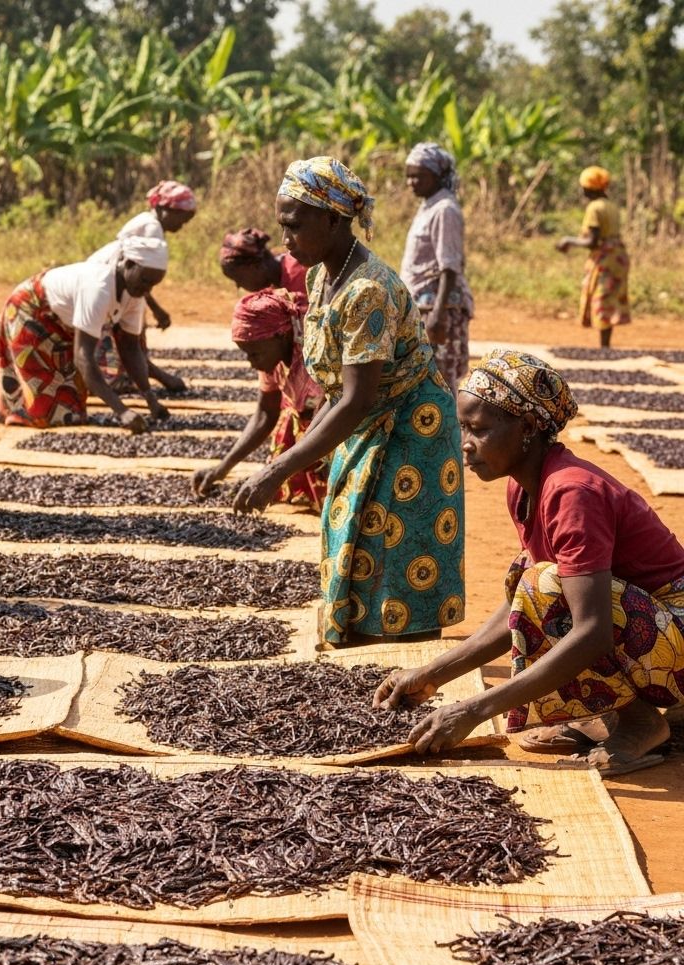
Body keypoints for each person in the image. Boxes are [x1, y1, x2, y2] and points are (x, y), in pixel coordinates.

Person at [374, 351, 682, 777]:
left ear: (529, 428)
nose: (465, 443)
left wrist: (474, 710)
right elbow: (521, 610)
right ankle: (605, 710)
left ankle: (640, 721)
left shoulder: (573, 493)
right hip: (647, 629)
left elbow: (590, 631)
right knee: (531, 579)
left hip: (673, 633)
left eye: (479, 430)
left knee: (546, 584)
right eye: (463, 427)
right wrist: (431, 675)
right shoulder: (524, 488)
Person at [234, 156, 465, 647]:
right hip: (365, 422)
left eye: (294, 226)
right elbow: (338, 391)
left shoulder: (367, 290)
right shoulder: (321, 276)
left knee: (398, 551)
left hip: (410, 428)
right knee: (354, 536)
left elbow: (357, 398)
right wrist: (306, 453)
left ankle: (405, 661)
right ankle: (363, 648)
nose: (286, 239)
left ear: (334, 220)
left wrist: (278, 469)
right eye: (282, 226)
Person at [0, 236, 171, 431]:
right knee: (44, 411)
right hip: (31, 309)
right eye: (145, 280)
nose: (147, 289)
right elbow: (83, 357)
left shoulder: (135, 294)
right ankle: (18, 414)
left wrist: (150, 398)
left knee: (72, 410)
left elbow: (130, 348)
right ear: (128, 264)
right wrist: (121, 411)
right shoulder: (99, 288)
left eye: (153, 285)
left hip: (62, 323)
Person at [193, 289, 326, 509]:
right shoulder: (270, 358)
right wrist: (222, 469)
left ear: (281, 336)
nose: (251, 362)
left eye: (254, 354)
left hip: (337, 428)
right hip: (309, 428)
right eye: (246, 354)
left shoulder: (313, 352)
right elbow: (265, 413)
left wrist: (276, 471)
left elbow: (339, 411)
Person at [82, 179, 197, 400]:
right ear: (164, 209)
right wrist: (157, 309)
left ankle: (133, 377)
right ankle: (107, 381)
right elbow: (138, 274)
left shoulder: (149, 223)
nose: (183, 224)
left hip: (117, 286)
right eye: (181, 217)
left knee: (130, 335)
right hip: (105, 286)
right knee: (120, 337)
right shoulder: (151, 227)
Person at [400, 143, 474, 394]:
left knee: (440, 382)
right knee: (425, 380)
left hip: (438, 309)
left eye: (419, 176)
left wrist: (438, 315)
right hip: (422, 306)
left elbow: (449, 267)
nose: (412, 181)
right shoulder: (429, 206)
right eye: (409, 175)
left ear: (438, 176)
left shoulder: (445, 210)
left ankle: (448, 434)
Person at [557, 165, 630, 349]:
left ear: (590, 188)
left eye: (584, 187)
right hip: (619, 257)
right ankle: (605, 344)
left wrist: (568, 241)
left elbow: (592, 240)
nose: (582, 190)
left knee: (601, 298)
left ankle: (604, 348)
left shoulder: (594, 208)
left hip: (605, 258)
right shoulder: (611, 206)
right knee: (609, 298)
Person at [219, 227, 309, 308]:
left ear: (253, 266)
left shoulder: (301, 273)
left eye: (238, 279)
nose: (239, 286)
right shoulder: (279, 286)